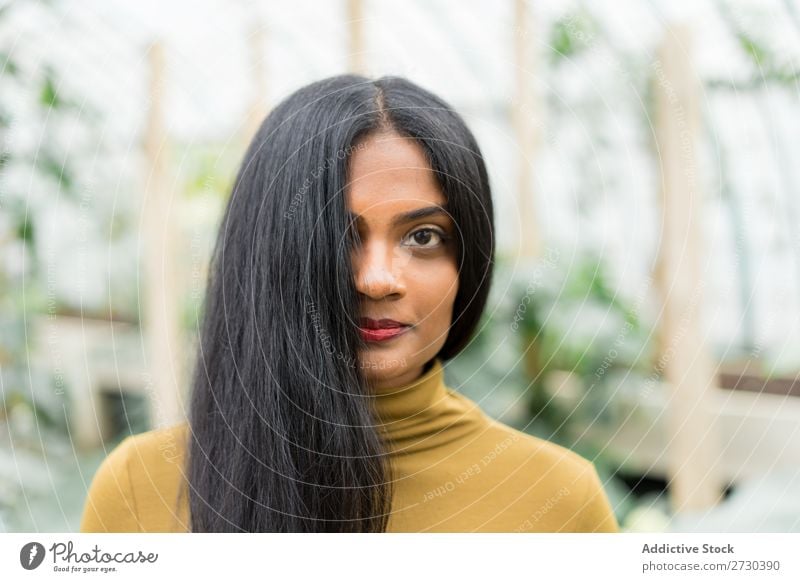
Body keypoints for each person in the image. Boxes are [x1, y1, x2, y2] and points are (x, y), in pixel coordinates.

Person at [79, 74, 619, 533]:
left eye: (424, 237)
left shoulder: (561, 503)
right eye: (338, 234)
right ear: (267, 256)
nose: (378, 280)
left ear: (469, 264)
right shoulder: (139, 488)